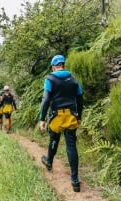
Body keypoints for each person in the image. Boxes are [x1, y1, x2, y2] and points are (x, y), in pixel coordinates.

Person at [39, 55, 83, 192]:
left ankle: (49, 162)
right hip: (71, 115)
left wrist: (42, 119)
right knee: (71, 145)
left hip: (56, 116)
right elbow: (80, 99)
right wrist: (79, 117)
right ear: (63, 65)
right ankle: (75, 180)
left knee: (54, 139)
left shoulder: (50, 79)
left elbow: (46, 100)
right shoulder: (74, 79)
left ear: (53, 66)